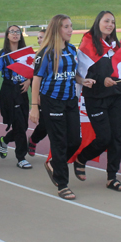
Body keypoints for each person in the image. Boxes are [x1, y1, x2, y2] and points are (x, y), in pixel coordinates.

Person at [29, 15, 90, 200]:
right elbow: (37, 80)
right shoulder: (46, 53)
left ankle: (54, 164)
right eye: (66, 27)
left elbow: (73, 75)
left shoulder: (72, 49)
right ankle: (62, 184)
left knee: (75, 141)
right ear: (57, 29)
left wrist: (82, 81)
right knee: (59, 142)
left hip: (70, 99)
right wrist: (34, 106)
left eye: (71, 26)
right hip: (52, 101)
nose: (70, 30)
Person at [74, 11, 121, 192]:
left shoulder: (117, 46)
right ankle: (81, 158)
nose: (110, 24)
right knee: (104, 138)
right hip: (96, 98)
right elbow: (83, 73)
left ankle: (112, 178)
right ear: (98, 22)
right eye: (106, 21)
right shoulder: (87, 43)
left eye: (113, 22)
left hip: (116, 96)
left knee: (117, 137)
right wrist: (102, 81)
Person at [0, 25, 32, 169]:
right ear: (7, 35)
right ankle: (21, 157)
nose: (15, 34)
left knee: (24, 125)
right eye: (12, 32)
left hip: (23, 90)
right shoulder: (4, 54)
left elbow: (32, 71)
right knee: (19, 125)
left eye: (17, 31)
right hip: (9, 91)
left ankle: (5, 140)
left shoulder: (25, 53)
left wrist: (29, 81)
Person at [28, 28, 48, 156]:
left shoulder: (56, 53)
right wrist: (37, 96)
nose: (40, 40)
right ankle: (33, 139)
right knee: (46, 124)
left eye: (42, 37)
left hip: (55, 92)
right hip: (42, 94)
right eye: (38, 38)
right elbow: (33, 78)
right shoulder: (36, 56)